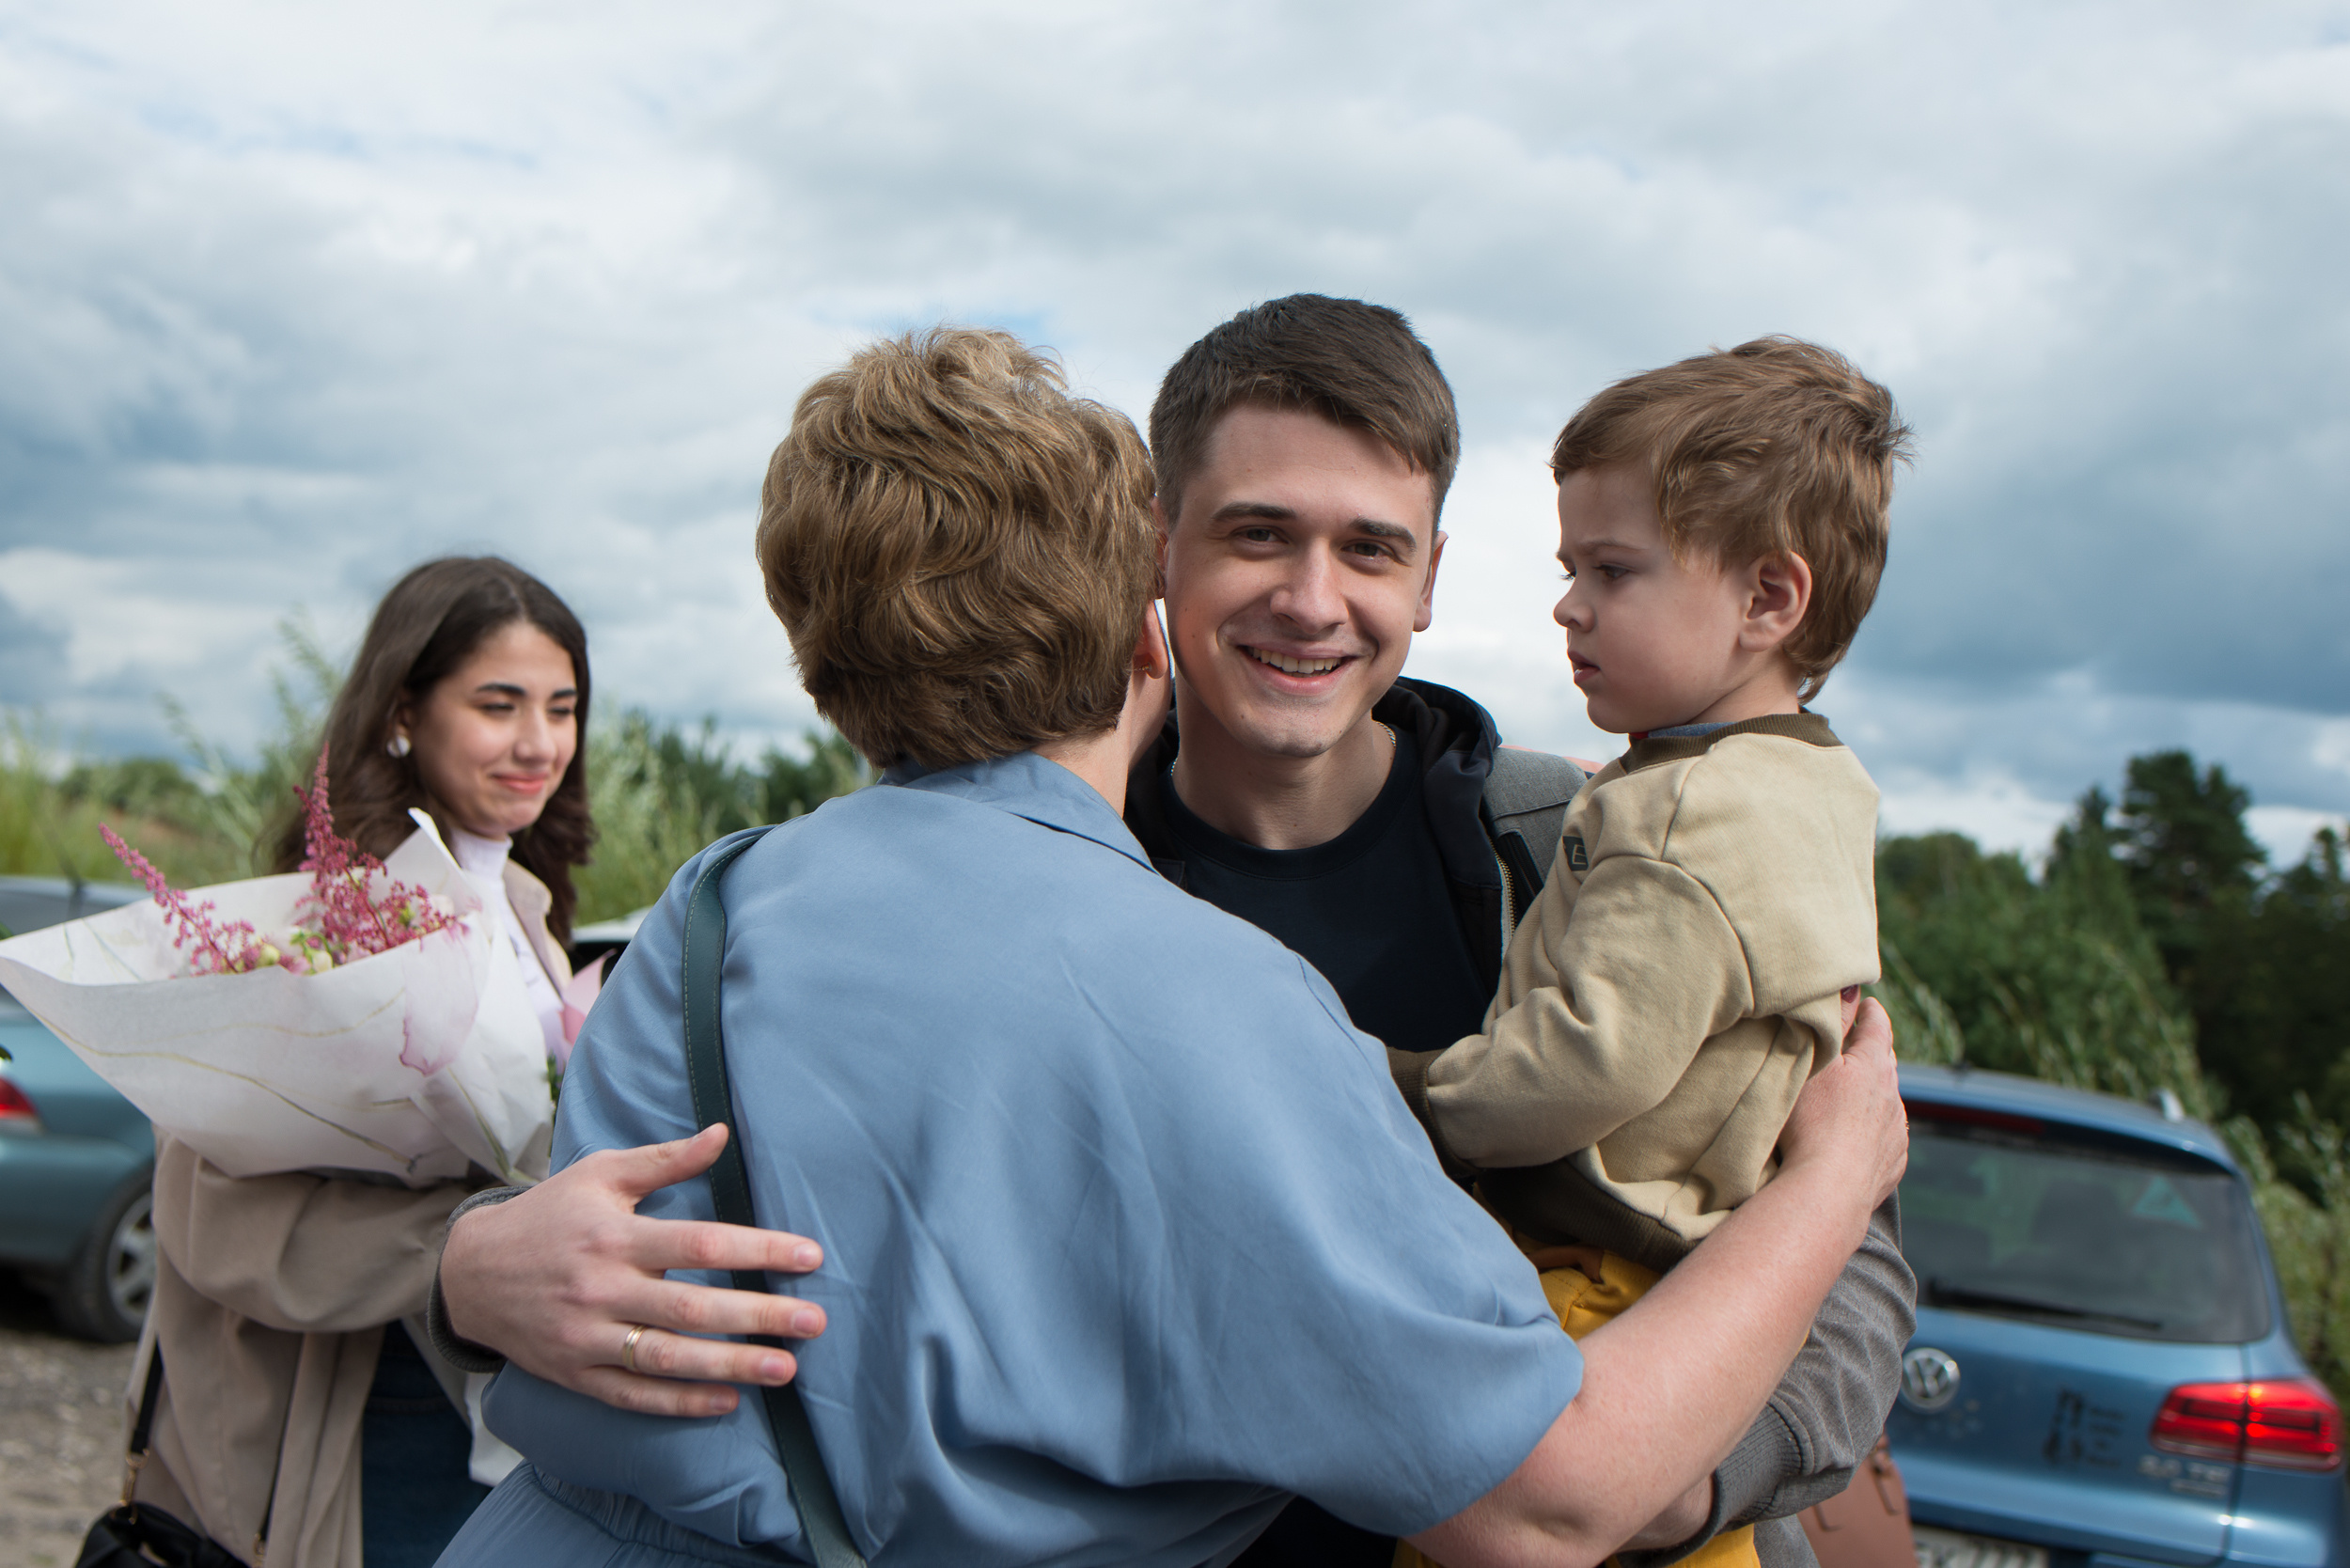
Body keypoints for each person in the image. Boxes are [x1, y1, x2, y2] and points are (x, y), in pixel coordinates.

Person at [431, 299, 1914, 1566]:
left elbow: (1833, 1245)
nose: (1313, 599)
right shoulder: (1210, 987)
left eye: (1371, 548)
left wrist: (1704, 1475)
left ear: (1431, 577)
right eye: (1259, 534)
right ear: (1154, 578)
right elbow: (1556, 1489)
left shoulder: (1581, 849)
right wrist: (469, 1265)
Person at [1388, 338, 1907, 1568]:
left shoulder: (1679, 817)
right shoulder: (1813, 786)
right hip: (1718, 1315)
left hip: (1595, 1284)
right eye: (1571, 569)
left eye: (1612, 571)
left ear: (1768, 600)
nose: (1568, 605)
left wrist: (1393, 1087)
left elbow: (1582, 1064)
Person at [129, 557, 592, 1568]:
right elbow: (207, 1208)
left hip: (501, 1401)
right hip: (372, 1399)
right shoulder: (323, 930)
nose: (539, 743)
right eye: (499, 705)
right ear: (402, 714)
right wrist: (455, 1251)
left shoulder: (530, 912)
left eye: (562, 709)